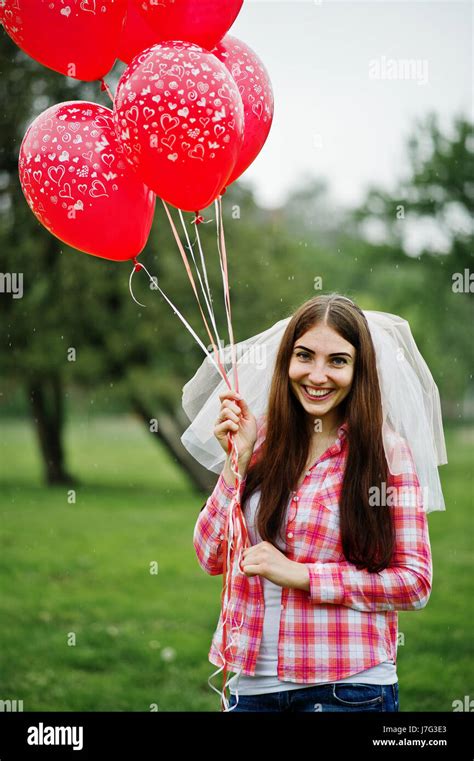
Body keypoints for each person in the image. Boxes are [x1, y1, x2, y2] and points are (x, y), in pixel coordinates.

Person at [190, 294, 446, 712]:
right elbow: (209, 556)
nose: (318, 375)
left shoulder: (386, 454)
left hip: (347, 690)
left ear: (359, 369)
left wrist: (304, 576)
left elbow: (414, 583)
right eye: (304, 356)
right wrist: (235, 463)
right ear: (286, 361)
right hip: (251, 689)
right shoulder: (261, 444)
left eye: (338, 361)